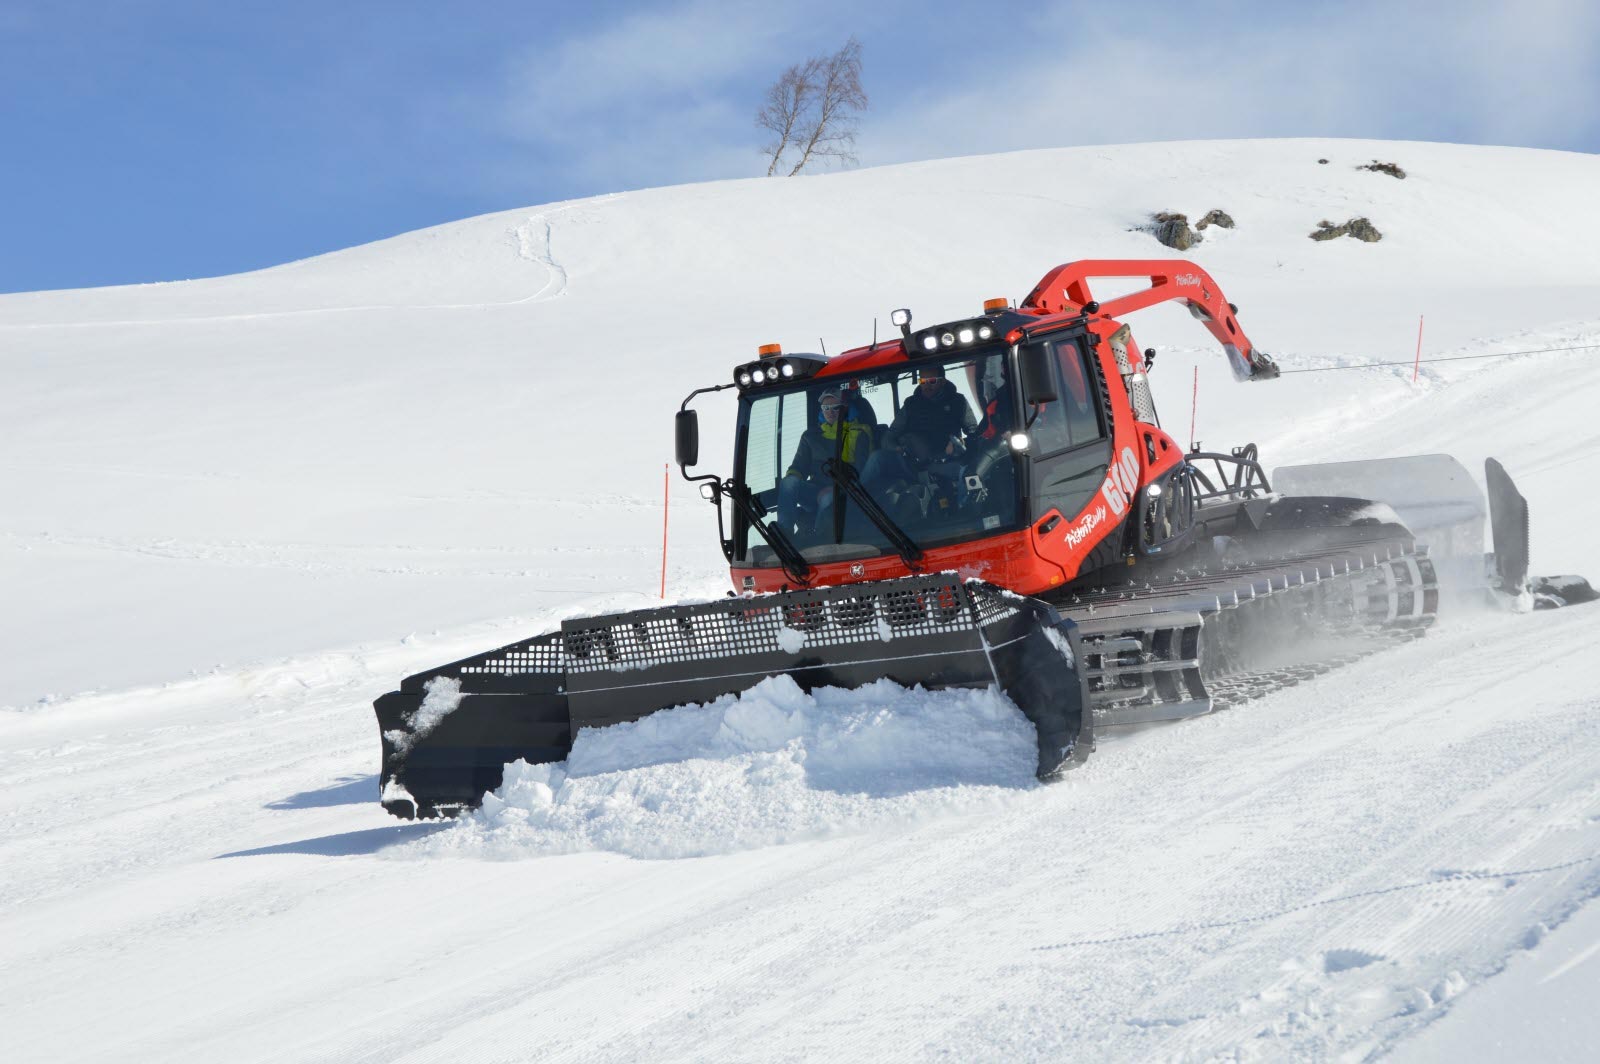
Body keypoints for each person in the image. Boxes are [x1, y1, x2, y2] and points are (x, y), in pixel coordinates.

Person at [861, 365, 978, 501]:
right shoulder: (911, 405)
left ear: (943, 381)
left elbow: (973, 432)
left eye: (932, 381)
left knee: (969, 474)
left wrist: (960, 444)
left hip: (948, 462)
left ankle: (964, 509)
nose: (927, 385)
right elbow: (888, 437)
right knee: (877, 458)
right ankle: (854, 502)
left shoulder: (958, 402)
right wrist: (898, 449)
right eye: (923, 381)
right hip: (913, 464)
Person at [776, 388, 874, 534]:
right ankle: (785, 533)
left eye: (836, 408)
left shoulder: (859, 433)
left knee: (828, 497)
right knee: (788, 482)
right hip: (814, 490)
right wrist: (793, 480)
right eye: (826, 408)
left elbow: (861, 473)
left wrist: (837, 489)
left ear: (845, 408)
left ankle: (820, 536)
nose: (830, 412)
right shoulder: (810, 436)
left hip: (844, 494)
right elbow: (798, 467)